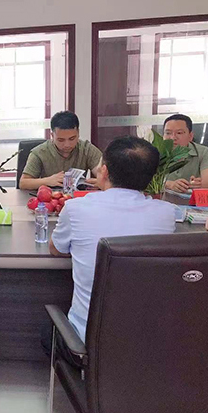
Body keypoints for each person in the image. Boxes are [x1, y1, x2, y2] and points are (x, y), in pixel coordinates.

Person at [49, 136, 176, 342]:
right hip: (149, 339)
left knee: (48, 334)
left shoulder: (76, 208)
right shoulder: (166, 214)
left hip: (88, 340)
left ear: (105, 172)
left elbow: (56, 249)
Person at [19, 111, 103, 190]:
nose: (67, 145)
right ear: (52, 136)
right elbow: (23, 183)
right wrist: (47, 181)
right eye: (61, 140)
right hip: (49, 197)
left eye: (72, 139)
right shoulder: (39, 152)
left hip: (79, 197)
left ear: (78, 133)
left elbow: (104, 176)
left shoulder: (87, 149)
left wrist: (100, 182)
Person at [162, 114, 208, 193]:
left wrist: (195, 184)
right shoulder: (155, 153)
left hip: (192, 199)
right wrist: (169, 184)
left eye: (179, 133)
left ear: (190, 136)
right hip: (160, 199)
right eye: (168, 133)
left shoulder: (203, 152)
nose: (173, 137)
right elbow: (146, 181)